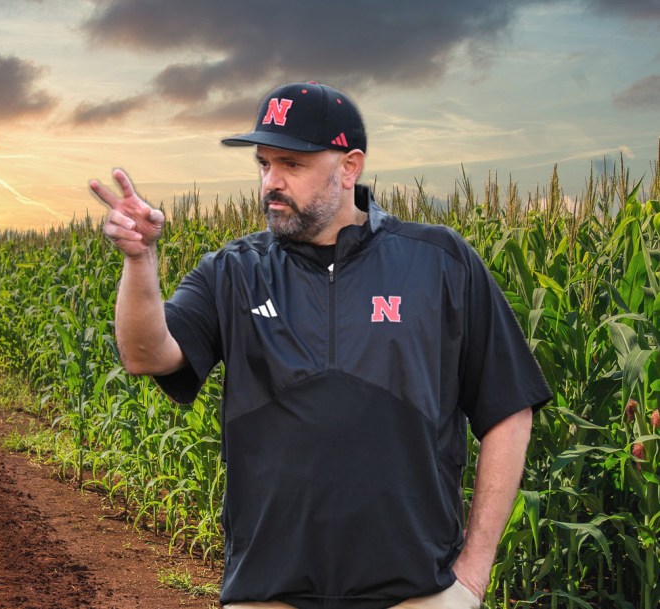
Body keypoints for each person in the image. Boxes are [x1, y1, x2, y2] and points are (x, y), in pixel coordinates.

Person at [89, 82, 551, 609]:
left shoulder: (439, 261)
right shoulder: (234, 271)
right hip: (268, 592)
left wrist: (472, 576)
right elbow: (146, 354)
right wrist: (139, 260)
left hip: (416, 594)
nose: (271, 182)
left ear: (349, 167)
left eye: (291, 163)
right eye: (263, 164)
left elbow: (509, 408)